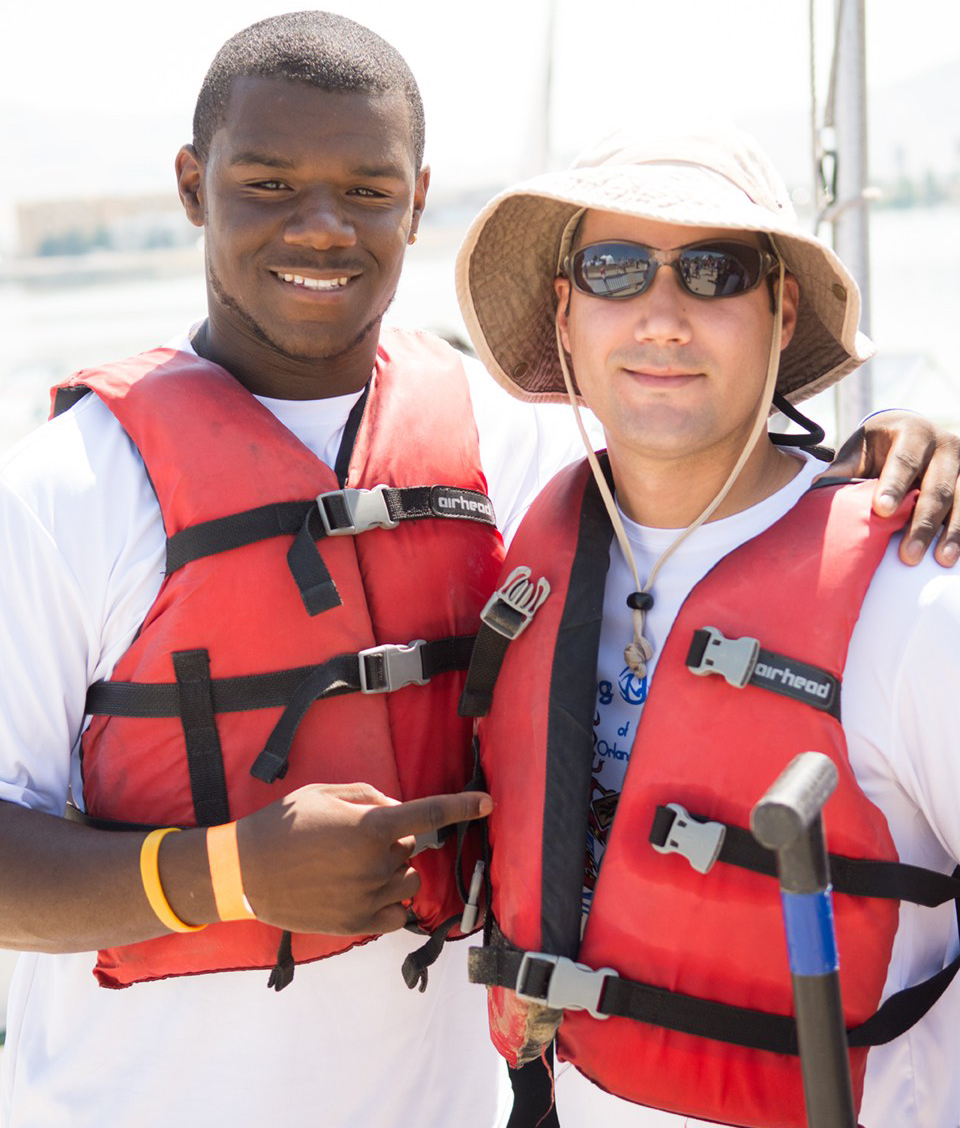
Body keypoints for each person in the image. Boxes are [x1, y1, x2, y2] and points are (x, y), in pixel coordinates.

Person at [0, 13, 955, 1128]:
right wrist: (228, 874)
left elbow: (705, 457)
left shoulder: (511, 448)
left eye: (367, 190)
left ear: (416, 202)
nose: (321, 228)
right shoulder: (58, 490)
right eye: (267, 183)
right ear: (191, 185)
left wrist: (900, 441)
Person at [455, 123, 960, 1128]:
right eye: (614, 270)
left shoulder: (917, 594)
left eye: (713, 272)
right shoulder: (518, 533)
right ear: (565, 313)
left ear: (781, 311)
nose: (662, 319)